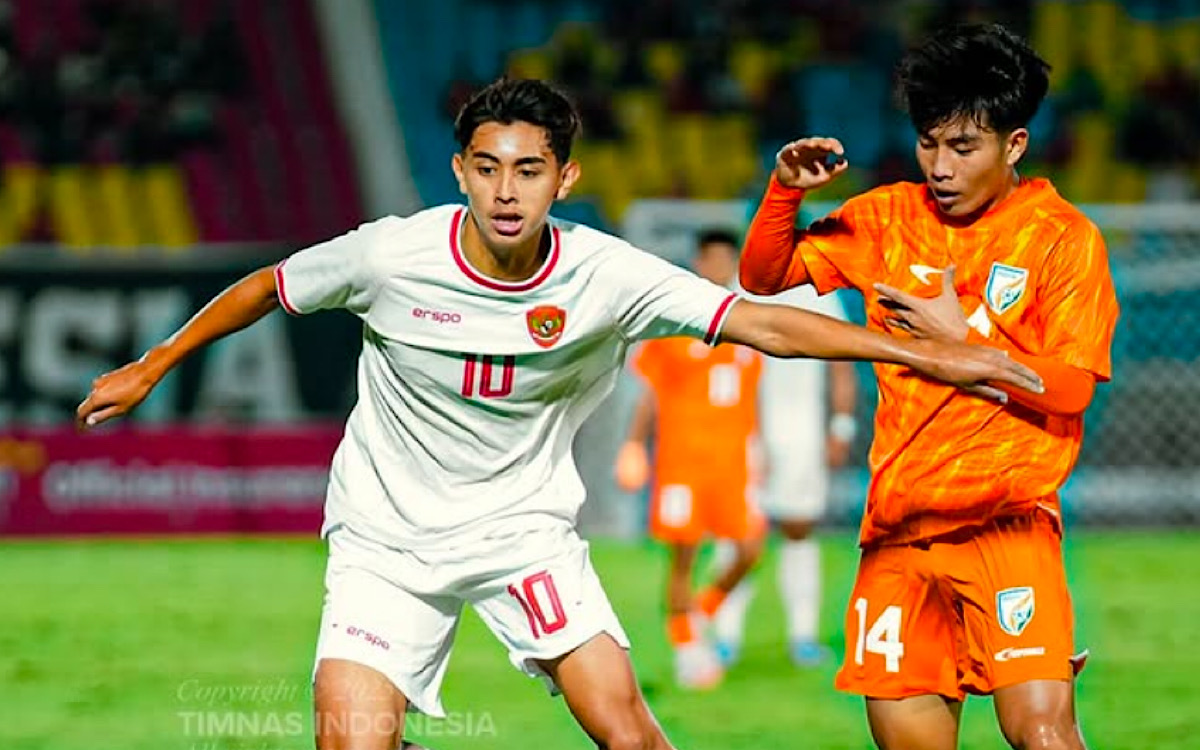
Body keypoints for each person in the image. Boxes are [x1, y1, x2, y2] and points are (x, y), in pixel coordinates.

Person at [77, 76, 1041, 750]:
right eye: (489, 168)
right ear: (460, 170)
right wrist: (154, 365)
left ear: (564, 179)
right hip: (384, 542)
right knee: (348, 739)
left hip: (523, 536)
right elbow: (266, 285)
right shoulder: (388, 256)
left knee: (626, 730)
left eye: (530, 170)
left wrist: (923, 351)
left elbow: (766, 327)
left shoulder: (604, 274)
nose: (507, 190)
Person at [739, 24, 1117, 750]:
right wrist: (784, 193)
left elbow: (1070, 389)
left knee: (1043, 733)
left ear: (1014, 146)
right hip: (898, 536)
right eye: (928, 143)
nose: (941, 166)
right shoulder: (887, 219)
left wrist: (963, 346)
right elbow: (765, 277)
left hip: (1005, 523)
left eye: (963, 147)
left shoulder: (1061, 238)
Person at [613, 228, 768, 690]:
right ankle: (686, 648)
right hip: (682, 462)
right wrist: (633, 445)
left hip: (732, 461)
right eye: (712, 259)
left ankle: (699, 615)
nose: (719, 268)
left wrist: (758, 448)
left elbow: (748, 396)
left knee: (750, 549)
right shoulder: (675, 321)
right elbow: (648, 395)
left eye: (727, 260)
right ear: (700, 262)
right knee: (683, 557)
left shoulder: (746, 324)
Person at [709, 267, 860, 669]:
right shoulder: (738, 286)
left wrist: (841, 426)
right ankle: (723, 634)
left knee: (799, 528)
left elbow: (842, 364)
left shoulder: (818, 293)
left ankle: (803, 636)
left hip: (801, 435)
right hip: (745, 431)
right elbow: (715, 361)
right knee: (737, 531)